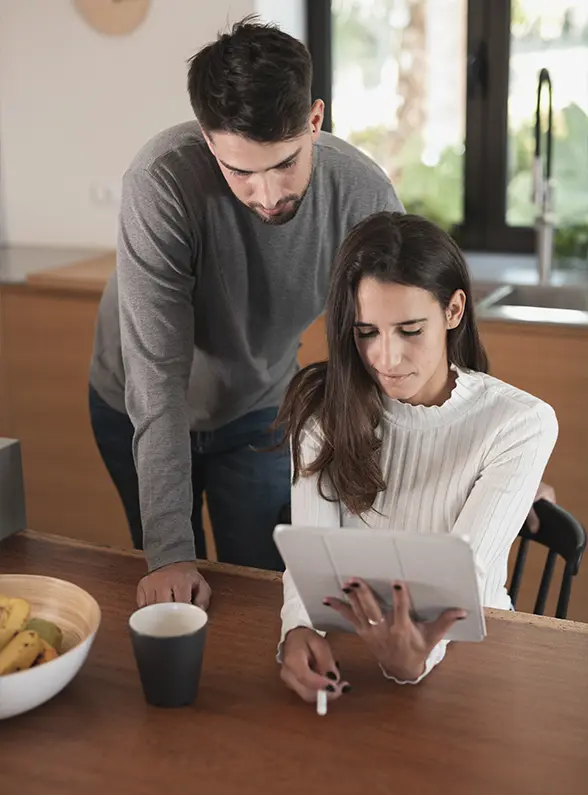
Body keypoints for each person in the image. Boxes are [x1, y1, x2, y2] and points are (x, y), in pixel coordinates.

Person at [87, 17, 405, 609]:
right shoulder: (161, 183)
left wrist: (479, 439)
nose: (267, 195)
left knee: (256, 585)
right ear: (210, 142)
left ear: (314, 121)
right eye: (241, 172)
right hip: (136, 399)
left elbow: (415, 335)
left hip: (258, 405)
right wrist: (170, 551)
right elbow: (156, 378)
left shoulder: (362, 194)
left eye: (285, 162)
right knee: (173, 588)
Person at [275, 211, 558, 703]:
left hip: (476, 652)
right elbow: (311, 551)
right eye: (367, 332)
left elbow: (459, 576)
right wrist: (298, 629)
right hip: (358, 641)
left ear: (453, 311)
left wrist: (415, 659)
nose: (385, 358)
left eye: (409, 330)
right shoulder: (325, 407)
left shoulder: (521, 424)